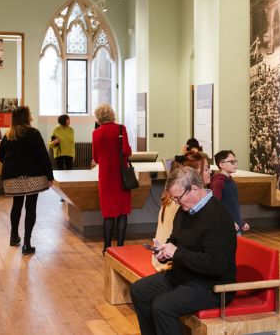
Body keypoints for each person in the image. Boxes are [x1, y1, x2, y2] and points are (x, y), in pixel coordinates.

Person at [130, 167, 237, 335]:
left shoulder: (218, 217)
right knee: (139, 291)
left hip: (212, 286)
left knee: (163, 306)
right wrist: (164, 251)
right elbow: (175, 238)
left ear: (194, 189)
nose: (177, 203)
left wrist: (176, 253)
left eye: (178, 198)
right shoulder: (186, 208)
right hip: (184, 276)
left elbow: (216, 265)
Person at [0, 106, 54, 255]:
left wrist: (12, 164)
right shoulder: (34, 133)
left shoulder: (9, 135)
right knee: (31, 207)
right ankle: (27, 244)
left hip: (12, 177)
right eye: (29, 113)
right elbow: (43, 155)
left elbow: (0, 155)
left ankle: (13, 236)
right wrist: (50, 176)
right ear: (25, 117)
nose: (31, 116)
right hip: (33, 176)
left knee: (16, 205)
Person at [152, 151, 210, 272]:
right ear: (194, 175)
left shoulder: (169, 197)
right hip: (169, 262)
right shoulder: (183, 201)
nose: (210, 172)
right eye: (206, 169)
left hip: (162, 256)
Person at [92, 104, 133, 253]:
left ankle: (106, 248)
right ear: (112, 114)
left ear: (98, 117)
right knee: (122, 213)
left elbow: (96, 158)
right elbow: (126, 151)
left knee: (108, 213)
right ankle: (120, 248)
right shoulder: (121, 129)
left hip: (106, 176)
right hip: (121, 175)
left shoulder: (96, 133)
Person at [210, 150, 248, 234]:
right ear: (221, 165)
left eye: (235, 161)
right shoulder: (218, 182)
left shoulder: (231, 181)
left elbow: (234, 206)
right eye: (232, 162)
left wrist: (241, 221)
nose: (235, 164)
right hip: (226, 227)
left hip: (236, 226)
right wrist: (227, 222)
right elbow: (216, 207)